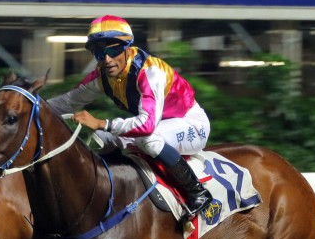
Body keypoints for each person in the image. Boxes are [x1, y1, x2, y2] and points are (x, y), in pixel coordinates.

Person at [47, 15, 213, 217]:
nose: (107, 59)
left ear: (127, 47)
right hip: (161, 125)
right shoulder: (101, 76)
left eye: (113, 50)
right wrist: (30, 107)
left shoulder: (151, 73)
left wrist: (101, 123)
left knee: (148, 139)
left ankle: (198, 192)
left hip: (192, 125)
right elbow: (66, 102)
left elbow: (147, 126)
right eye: (99, 53)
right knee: (100, 141)